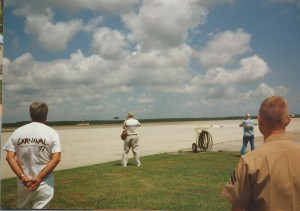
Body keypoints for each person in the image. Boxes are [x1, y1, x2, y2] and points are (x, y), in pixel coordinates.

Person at [221, 96, 300, 211]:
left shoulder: (249, 161)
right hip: (251, 137)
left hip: (247, 139)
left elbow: (237, 207)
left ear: (260, 121)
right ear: (288, 120)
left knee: (245, 146)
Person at [3, 101, 61, 209]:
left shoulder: (18, 132)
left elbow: (9, 157)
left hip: (23, 184)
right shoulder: (52, 133)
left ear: (30, 114)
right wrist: (39, 178)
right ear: (45, 116)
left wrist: (23, 177)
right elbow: (56, 158)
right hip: (44, 183)